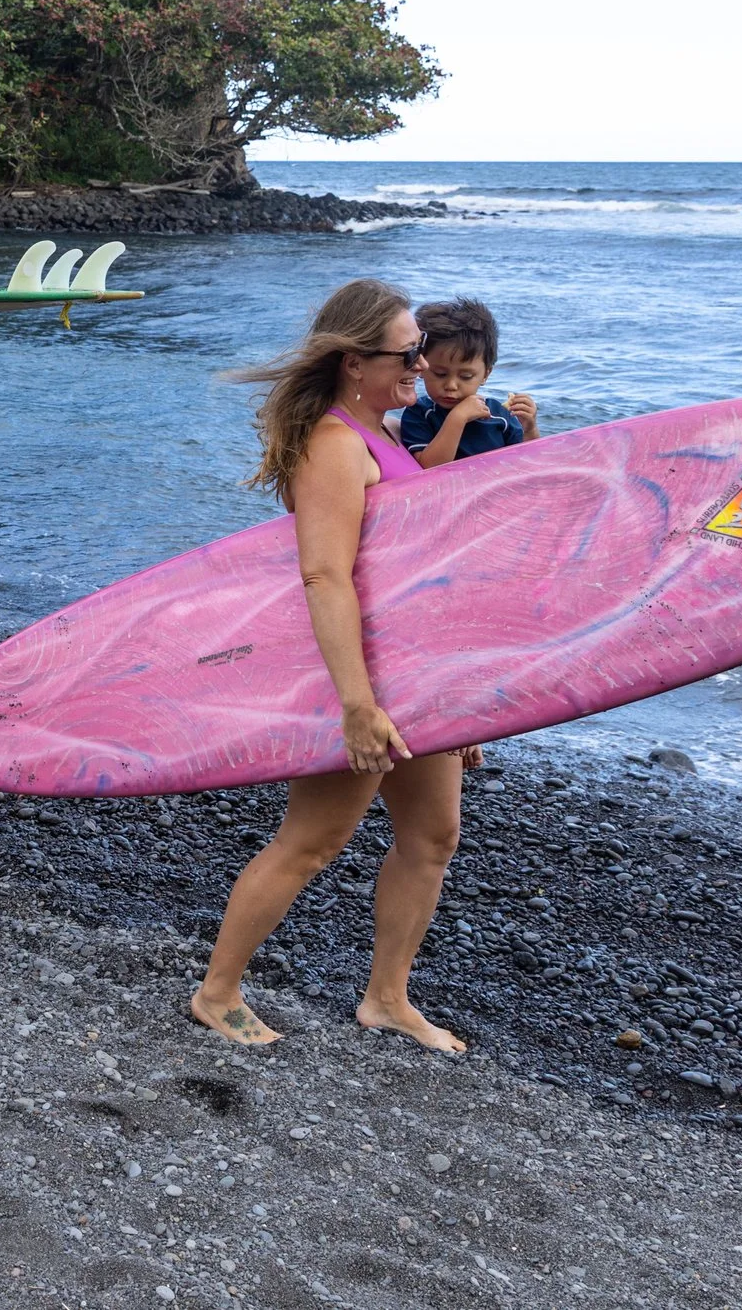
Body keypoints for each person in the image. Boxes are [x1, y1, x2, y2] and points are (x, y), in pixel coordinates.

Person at [189, 278, 481, 1052]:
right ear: (356, 360)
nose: (423, 364)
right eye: (408, 352)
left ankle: (387, 996)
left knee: (433, 835)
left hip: (413, 679)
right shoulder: (333, 444)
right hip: (356, 677)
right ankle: (217, 991)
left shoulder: (382, 431)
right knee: (312, 840)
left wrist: (466, 698)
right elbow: (326, 575)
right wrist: (357, 702)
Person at [400, 297, 541, 470]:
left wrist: (529, 429)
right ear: (423, 367)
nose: (451, 385)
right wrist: (457, 418)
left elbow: (529, 464)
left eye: (466, 376)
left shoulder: (499, 415)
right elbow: (430, 467)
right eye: (440, 374)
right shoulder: (420, 414)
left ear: (485, 374)